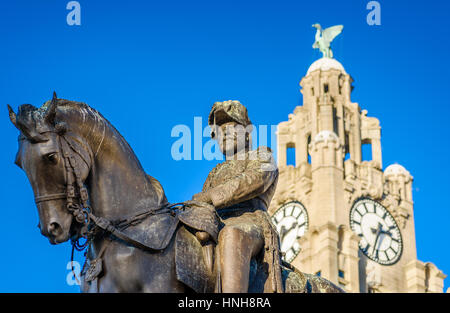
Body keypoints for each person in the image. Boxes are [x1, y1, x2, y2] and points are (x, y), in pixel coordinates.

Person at [192, 100, 283, 293]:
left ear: (247, 134)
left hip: (250, 223)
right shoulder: (214, 173)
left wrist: (209, 196)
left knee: (232, 235)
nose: (223, 133)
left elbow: (255, 180)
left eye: (232, 127)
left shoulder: (262, 156)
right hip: (213, 224)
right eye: (219, 131)